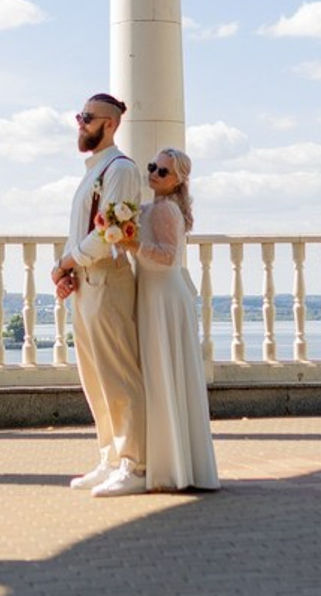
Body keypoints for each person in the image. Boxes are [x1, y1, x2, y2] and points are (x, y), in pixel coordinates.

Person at [51, 93, 148, 498]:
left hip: (108, 281)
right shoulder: (93, 171)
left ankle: (136, 464)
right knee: (94, 379)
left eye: (87, 118)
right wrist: (67, 269)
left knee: (119, 376)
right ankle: (109, 456)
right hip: (87, 285)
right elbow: (83, 234)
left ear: (110, 124)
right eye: (79, 116)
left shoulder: (120, 169)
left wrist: (68, 262)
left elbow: (109, 234)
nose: (80, 123)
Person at [125, 148, 219, 492]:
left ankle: (169, 469)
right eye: (152, 167)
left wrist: (132, 243)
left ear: (178, 179)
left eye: (162, 171)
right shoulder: (152, 208)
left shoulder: (165, 210)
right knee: (162, 374)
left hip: (164, 296)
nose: (154, 174)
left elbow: (165, 258)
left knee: (164, 374)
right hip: (155, 295)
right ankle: (172, 462)